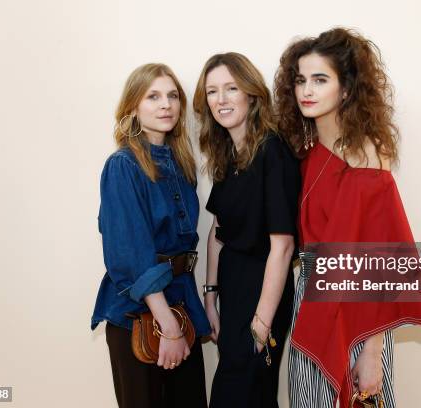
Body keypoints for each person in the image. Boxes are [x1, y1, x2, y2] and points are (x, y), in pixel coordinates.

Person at [273, 28, 421, 408]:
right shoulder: (306, 152)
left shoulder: (366, 156)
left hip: (359, 312)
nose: (306, 91)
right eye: (300, 80)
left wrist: (372, 350)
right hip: (310, 299)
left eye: (320, 80)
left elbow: (383, 260)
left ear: (346, 89)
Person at [90, 63, 210, 408]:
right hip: (140, 318)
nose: (166, 104)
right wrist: (167, 325)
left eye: (173, 96)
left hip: (180, 306)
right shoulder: (123, 166)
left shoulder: (181, 164)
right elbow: (128, 251)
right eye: (153, 96)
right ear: (133, 108)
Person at [193, 52, 300, 408]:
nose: (220, 100)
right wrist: (210, 297)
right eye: (212, 91)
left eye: (230, 88)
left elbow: (283, 246)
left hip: (262, 292)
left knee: (245, 394)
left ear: (251, 94)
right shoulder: (229, 152)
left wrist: (261, 323)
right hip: (233, 292)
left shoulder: (273, 150)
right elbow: (217, 232)